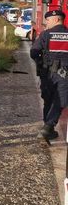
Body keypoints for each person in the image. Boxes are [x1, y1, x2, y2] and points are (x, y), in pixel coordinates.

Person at [30, 9, 68, 141]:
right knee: (60, 101)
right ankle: (48, 128)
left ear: (57, 19)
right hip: (64, 75)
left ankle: (47, 128)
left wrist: (41, 63)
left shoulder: (45, 35)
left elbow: (34, 52)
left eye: (48, 20)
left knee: (48, 100)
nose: (46, 23)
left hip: (47, 74)